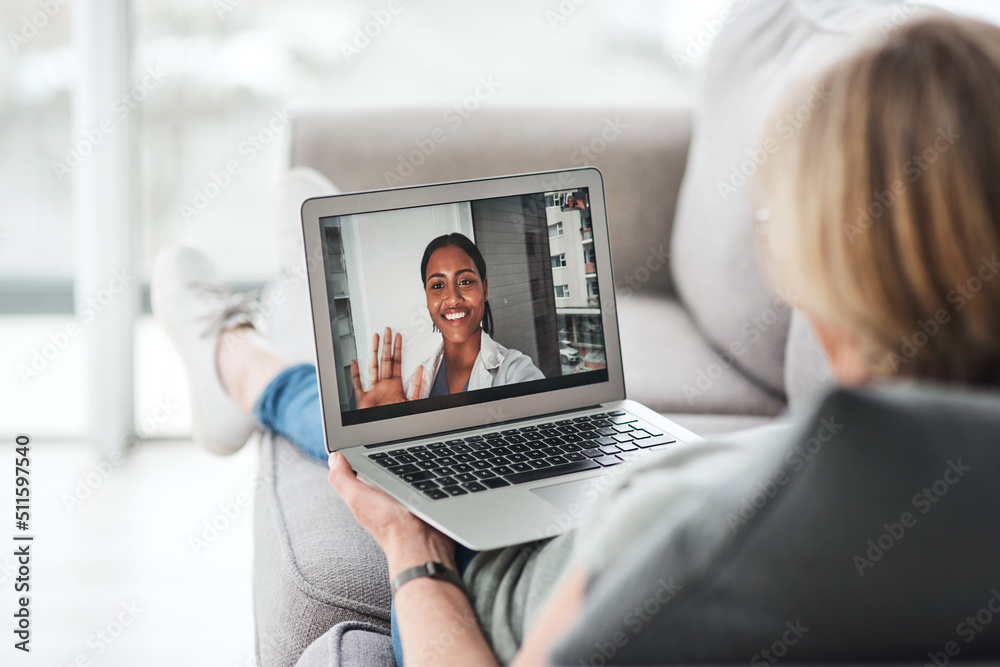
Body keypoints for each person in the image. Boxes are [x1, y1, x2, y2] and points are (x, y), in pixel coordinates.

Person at [153, 15, 1000, 666]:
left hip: (489, 575)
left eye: (779, 221)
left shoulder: (691, 539)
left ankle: (237, 356)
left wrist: (413, 546)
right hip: (629, 476)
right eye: (435, 285)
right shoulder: (912, 478)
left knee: (386, 434)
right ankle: (251, 351)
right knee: (396, 415)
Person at [350, 232, 544, 409]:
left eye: (465, 282)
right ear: (426, 297)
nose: (453, 298)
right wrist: (385, 427)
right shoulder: (412, 388)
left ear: (484, 289)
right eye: (438, 285)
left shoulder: (517, 373)